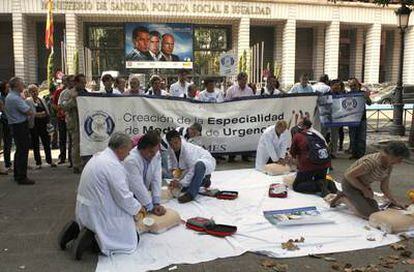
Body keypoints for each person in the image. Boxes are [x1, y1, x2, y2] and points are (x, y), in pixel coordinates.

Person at [68, 132, 142, 259]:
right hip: (97, 212)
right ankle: (91, 241)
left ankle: (78, 230)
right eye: (128, 151)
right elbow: (123, 197)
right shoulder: (112, 165)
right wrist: (138, 208)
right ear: (120, 149)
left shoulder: (99, 157)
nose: (129, 154)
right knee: (133, 238)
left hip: (86, 209)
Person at [330, 142, 410, 219]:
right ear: (391, 155)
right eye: (399, 159)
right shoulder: (372, 162)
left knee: (375, 210)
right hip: (350, 183)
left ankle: (350, 196)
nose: (400, 162)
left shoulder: (389, 165)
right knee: (367, 214)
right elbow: (349, 175)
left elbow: (384, 187)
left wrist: (395, 202)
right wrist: (364, 189)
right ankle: (343, 198)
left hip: (363, 184)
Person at [166, 129, 216, 203]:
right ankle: (204, 181)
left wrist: (180, 183)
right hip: (190, 165)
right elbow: (173, 163)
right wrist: (175, 179)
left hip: (205, 161)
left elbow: (192, 170)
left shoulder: (188, 150)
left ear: (180, 140)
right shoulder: (171, 148)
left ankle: (191, 194)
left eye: (176, 143)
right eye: (171, 144)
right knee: (183, 187)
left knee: (199, 165)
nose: (174, 146)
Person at [124, 131, 166, 216]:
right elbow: (137, 186)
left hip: (143, 194)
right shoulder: (131, 160)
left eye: (155, 152)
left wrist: (156, 202)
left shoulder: (155, 154)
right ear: (141, 149)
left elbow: (156, 178)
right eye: (151, 152)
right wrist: (150, 206)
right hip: (130, 196)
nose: (153, 155)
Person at [290, 119, 333, 196]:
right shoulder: (316, 134)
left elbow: (293, 153)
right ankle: (326, 183)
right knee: (317, 177)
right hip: (325, 164)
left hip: (309, 165)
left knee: (297, 186)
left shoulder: (297, 136)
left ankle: (319, 185)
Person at [4, 77, 34, 185]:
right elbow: (28, 111)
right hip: (20, 125)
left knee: (19, 150)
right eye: (21, 84)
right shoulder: (15, 98)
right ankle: (22, 176)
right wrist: (30, 111)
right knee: (23, 151)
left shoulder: (11, 96)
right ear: (16, 86)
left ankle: (17, 174)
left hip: (15, 125)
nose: (23, 86)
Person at [61, 74, 88, 174]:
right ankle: (76, 165)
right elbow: (63, 106)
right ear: (76, 83)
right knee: (76, 144)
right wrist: (74, 100)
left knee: (85, 144)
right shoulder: (68, 93)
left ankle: (84, 163)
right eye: (82, 82)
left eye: (85, 83)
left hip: (84, 122)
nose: (84, 84)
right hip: (75, 122)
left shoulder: (85, 92)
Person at [26, 84, 56, 169]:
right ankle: (38, 162)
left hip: (43, 124)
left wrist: (45, 115)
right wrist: (38, 114)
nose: (35, 92)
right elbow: (30, 113)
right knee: (35, 144)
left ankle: (49, 161)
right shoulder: (28, 101)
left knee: (46, 143)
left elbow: (47, 111)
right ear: (29, 92)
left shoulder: (41, 99)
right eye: (32, 91)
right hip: (34, 125)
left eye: (36, 90)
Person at [348, 78, 371, 160]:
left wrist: (367, 97)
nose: (353, 87)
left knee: (361, 137)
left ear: (358, 85)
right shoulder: (348, 94)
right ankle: (354, 153)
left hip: (362, 119)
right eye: (351, 86)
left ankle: (361, 154)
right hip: (351, 119)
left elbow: (369, 103)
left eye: (354, 85)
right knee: (352, 137)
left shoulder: (362, 93)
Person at [58, 75, 75, 168]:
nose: (73, 82)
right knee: (71, 140)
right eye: (72, 81)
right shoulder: (64, 93)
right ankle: (71, 160)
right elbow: (60, 105)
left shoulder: (79, 91)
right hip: (70, 119)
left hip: (79, 119)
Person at [53, 76, 69, 164]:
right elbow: (54, 104)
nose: (66, 83)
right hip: (61, 117)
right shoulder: (58, 92)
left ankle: (71, 158)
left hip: (70, 117)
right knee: (62, 137)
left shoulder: (72, 91)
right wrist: (60, 110)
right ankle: (62, 156)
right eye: (65, 81)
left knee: (71, 138)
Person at [0, 80, 12, 171]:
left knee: (8, 144)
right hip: (4, 122)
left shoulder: (8, 96)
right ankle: (7, 164)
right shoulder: (1, 97)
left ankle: (8, 163)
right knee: (6, 144)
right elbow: (4, 110)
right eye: (7, 87)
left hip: (7, 121)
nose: (9, 89)